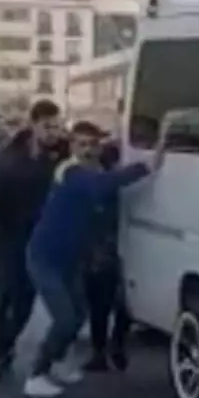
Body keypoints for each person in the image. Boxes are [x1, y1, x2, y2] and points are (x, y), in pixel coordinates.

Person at [24, 120, 161, 398]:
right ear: (72, 146)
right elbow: (101, 187)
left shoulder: (95, 172)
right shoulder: (70, 171)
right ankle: (36, 373)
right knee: (64, 319)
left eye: (92, 144)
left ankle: (58, 363)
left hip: (70, 261)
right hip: (45, 258)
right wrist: (147, 165)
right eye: (81, 144)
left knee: (78, 315)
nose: (88, 150)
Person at [0, 97, 65, 381]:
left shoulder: (61, 155)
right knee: (1, 297)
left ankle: (6, 345)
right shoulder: (10, 157)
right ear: (33, 125)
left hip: (40, 239)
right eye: (47, 126)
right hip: (10, 236)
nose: (53, 132)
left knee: (25, 298)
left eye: (57, 126)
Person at [83, 139, 130, 372]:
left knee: (100, 307)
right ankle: (116, 345)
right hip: (118, 250)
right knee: (122, 304)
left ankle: (100, 351)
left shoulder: (99, 184)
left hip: (100, 252)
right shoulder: (118, 185)